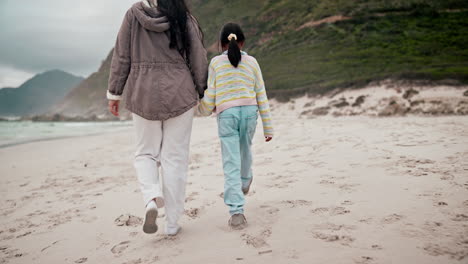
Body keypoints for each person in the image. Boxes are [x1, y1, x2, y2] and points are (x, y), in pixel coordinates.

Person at [106, 0, 208, 236]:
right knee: (175, 158)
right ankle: (172, 224)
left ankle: (151, 198)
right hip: (179, 91)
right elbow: (197, 55)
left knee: (145, 152)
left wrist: (115, 92)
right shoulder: (182, 15)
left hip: (143, 91)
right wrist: (202, 91)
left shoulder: (133, 13)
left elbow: (122, 55)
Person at [198, 23, 273, 229]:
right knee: (245, 149)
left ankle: (237, 212)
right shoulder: (253, 62)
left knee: (231, 162)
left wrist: (201, 110)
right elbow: (261, 95)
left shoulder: (215, 63)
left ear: (221, 44)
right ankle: (246, 180)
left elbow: (211, 93)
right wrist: (268, 128)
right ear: (242, 42)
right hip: (250, 113)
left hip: (227, 115)